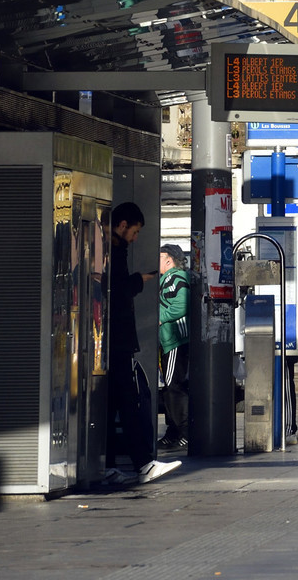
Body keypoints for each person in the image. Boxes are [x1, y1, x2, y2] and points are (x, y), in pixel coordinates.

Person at [104, 203, 180, 485]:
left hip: (112, 340)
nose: (135, 238)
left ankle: (109, 464)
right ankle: (143, 463)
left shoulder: (108, 248)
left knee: (112, 404)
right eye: (134, 231)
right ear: (123, 225)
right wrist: (141, 279)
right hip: (117, 341)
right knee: (129, 400)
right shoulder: (114, 250)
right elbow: (119, 290)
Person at [156, 244, 194, 453]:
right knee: (171, 388)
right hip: (170, 341)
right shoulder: (169, 279)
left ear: (168, 259)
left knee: (173, 387)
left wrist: (159, 318)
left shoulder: (175, 278)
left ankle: (185, 432)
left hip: (175, 341)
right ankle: (174, 433)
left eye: (159, 257)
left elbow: (181, 304)